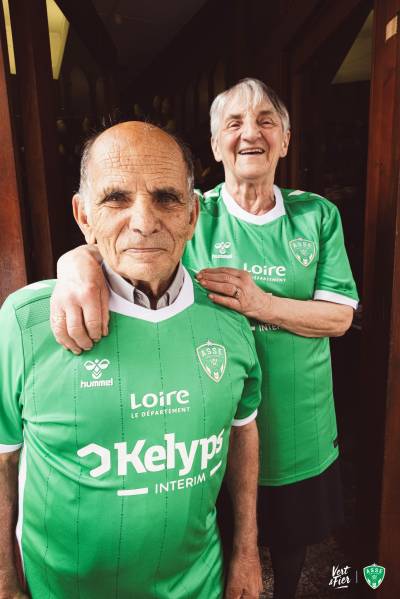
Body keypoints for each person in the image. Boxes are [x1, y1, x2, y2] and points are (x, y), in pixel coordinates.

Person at [50, 78, 359, 599]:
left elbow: (339, 319)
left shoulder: (317, 214)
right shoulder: (190, 212)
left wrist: (260, 304)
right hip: (207, 421)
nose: (250, 133)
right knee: (219, 535)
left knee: (293, 537)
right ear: (216, 145)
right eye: (234, 123)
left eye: (266, 121)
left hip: (299, 418)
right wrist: (76, 261)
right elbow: (127, 245)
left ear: (286, 139)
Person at [0, 122, 263, 599]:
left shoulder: (229, 321)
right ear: (84, 216)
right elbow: (2, 457)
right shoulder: (26, 321)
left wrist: (246, 552)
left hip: (197, 585)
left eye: (166, 198)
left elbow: (243, 430)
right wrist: (3, 582)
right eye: (116, 198)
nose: (143, 222)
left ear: (192, 215)